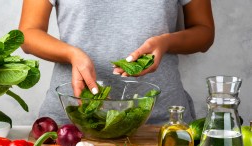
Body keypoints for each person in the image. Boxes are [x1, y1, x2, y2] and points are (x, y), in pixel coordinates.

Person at [19, 0, 215, 125]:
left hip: (161, 120)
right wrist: (71, 54)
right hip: (73, 119)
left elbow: (204, 32)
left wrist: (166, 42)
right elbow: (27, 33)